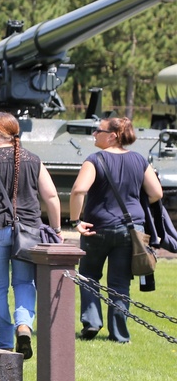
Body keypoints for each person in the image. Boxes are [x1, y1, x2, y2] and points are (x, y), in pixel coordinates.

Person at [0, 112, 61, 359]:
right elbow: (51, 196)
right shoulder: (33, 159)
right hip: (28, 232)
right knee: (24, 283)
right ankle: (24, 327)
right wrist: (57, 230)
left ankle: (4, 344)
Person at [69, 116, 163, 343]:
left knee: (89, 275)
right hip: (131, 230)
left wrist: (75, 221)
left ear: (112, 135)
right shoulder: (140, 160)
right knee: (120, 282)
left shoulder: (94, 160)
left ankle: (91, 323)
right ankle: (119, 335)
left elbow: (78, 190)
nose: (94, 134)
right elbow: (156, 193)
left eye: (97, 130)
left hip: (96, 228)